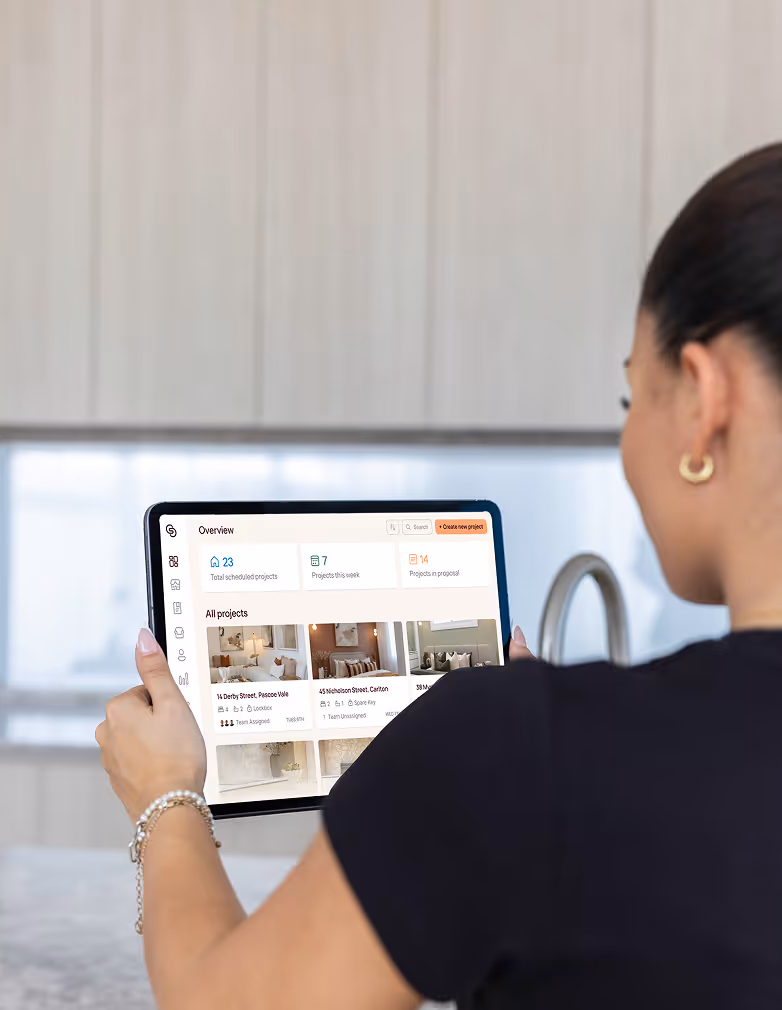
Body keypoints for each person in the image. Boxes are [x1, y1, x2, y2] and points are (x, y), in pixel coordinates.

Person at [96, 143, 782, 1008]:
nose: (627, 437)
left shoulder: (511, 752)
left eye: (630, 396)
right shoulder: (526, 755)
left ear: (703, 397)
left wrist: (166, 797)